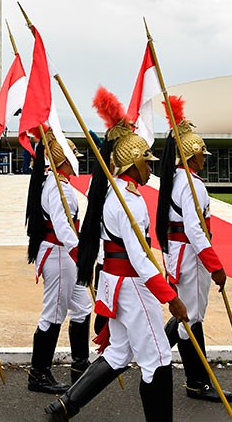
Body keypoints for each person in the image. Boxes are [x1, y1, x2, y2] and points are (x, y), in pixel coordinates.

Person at [47, 86, 188, 421]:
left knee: (118, 353)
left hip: (116, 282)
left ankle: (65, 406)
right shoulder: (128, 200)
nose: (150, 169)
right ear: (132, 164)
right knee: (157, 359)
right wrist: (171, 297)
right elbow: (140, 258)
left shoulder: (114, 193)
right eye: (145, 163)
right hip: (134, 286)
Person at [155, 95, 232, 403]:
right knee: (192, 319)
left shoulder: (176, 180)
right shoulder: (191, 184)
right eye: (201, 155)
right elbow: (196, 230)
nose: (205, 159)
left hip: (179, 255)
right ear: (191, 157)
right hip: (190, 257)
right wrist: (216, 266)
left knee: (189, 316)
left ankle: (169, 358)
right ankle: (196, 382)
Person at [25, 127, 93, 394]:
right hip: (61, 255)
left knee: (83, 307)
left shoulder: (58, 184)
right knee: (53, 314)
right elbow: (64, 228)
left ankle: (80, 365)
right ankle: (38, 374)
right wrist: (81, 256)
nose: (77, 161)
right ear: (64, 159)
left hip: (65, 255)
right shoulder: (57, 187)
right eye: (73, 156)